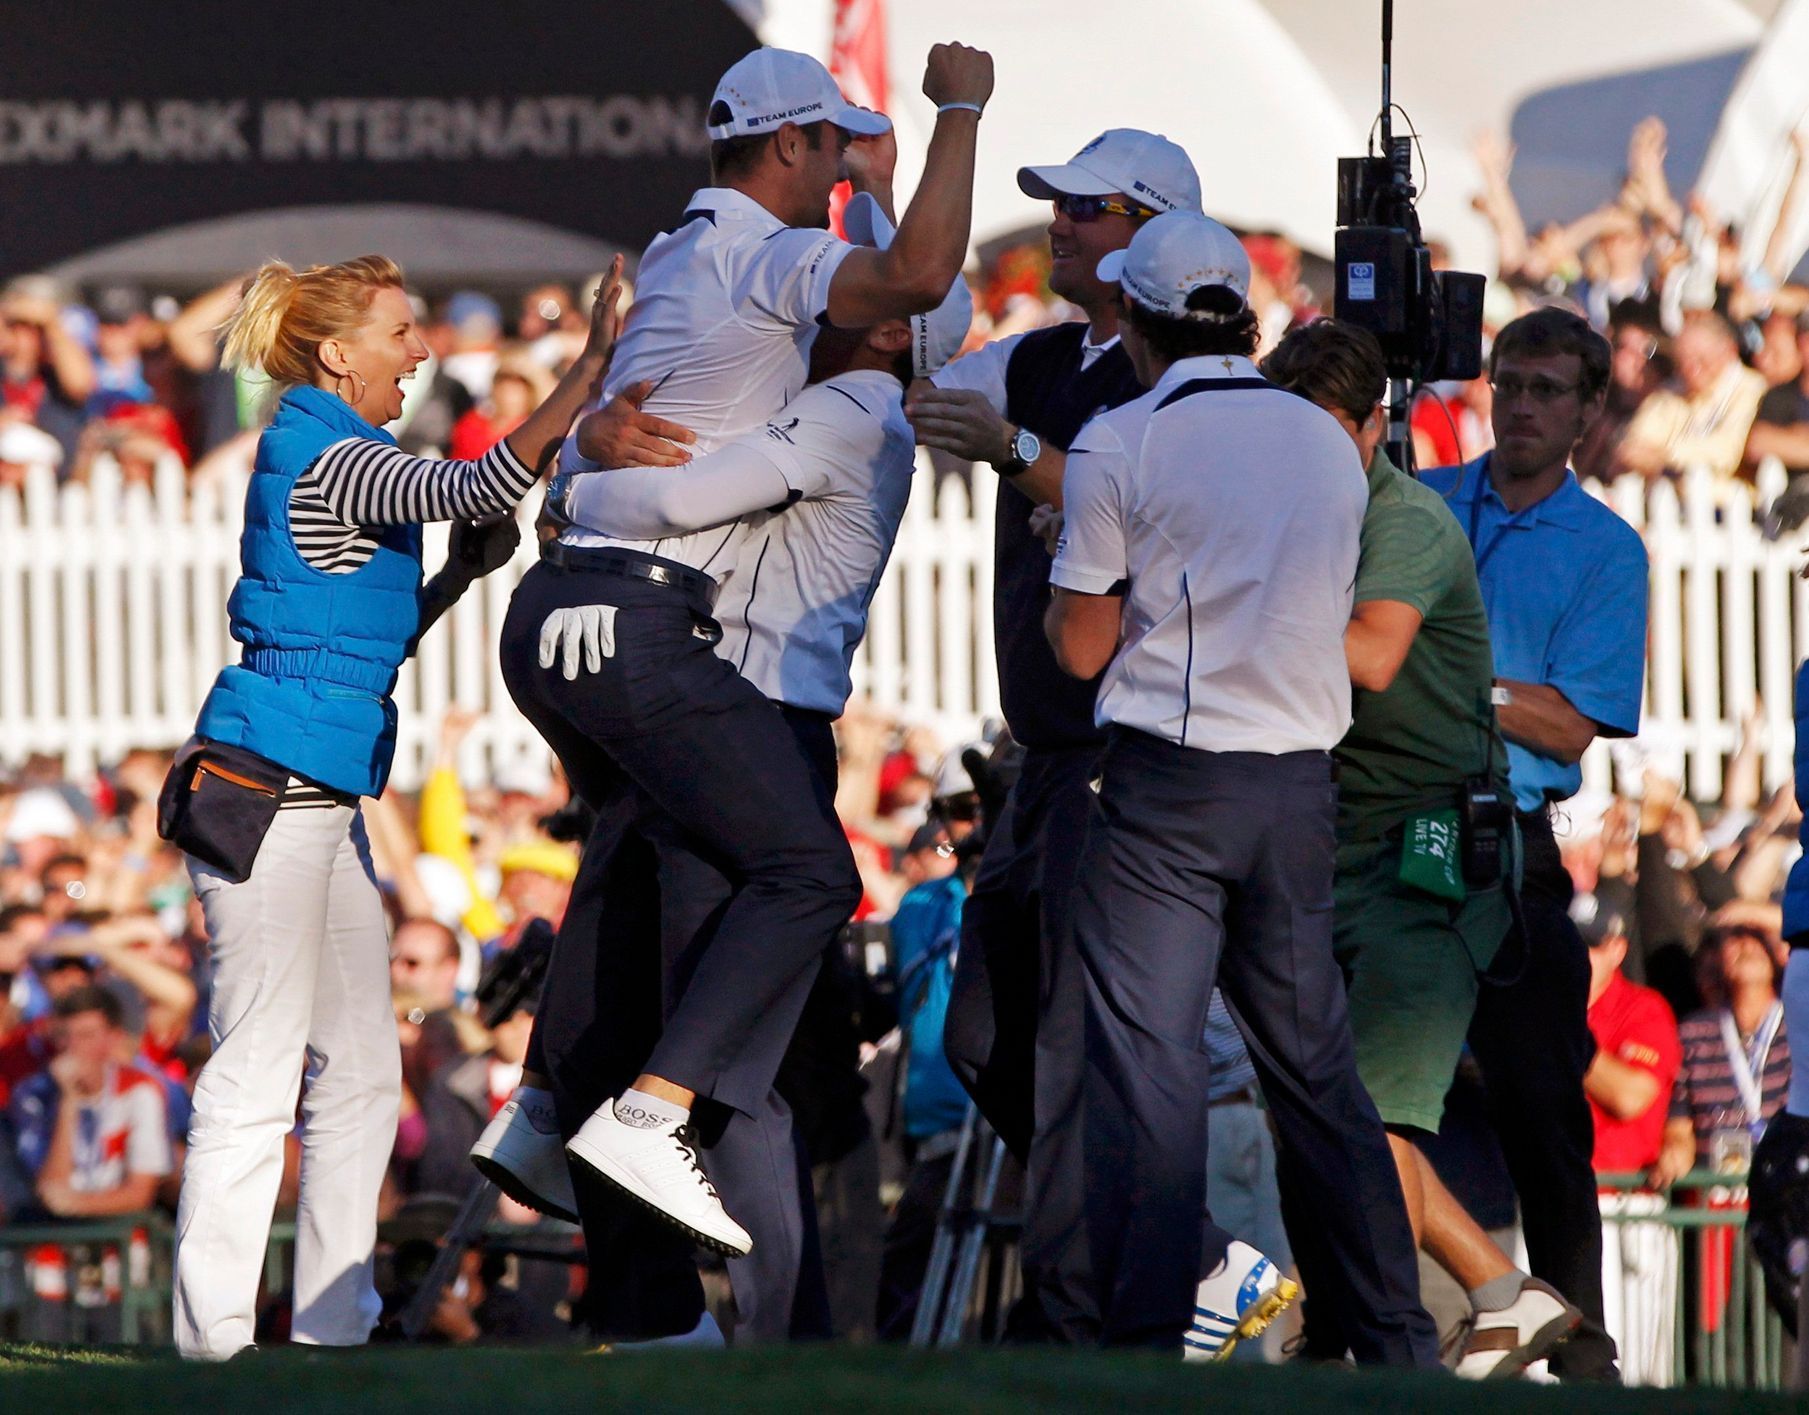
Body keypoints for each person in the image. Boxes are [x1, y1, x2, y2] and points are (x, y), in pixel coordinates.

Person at [472, 43, 992, 1345]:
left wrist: (581, 469)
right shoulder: (808, 359)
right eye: (826, 162)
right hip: (720, 704)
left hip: (745, 711)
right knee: (726, 1058)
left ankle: (730, 1295)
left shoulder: (847, 406)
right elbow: (884, 270)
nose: (836, 252)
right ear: (791, 148)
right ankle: (695, 1281)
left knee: (737, 1071)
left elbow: (683, 490)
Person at [164, 249, 626, 1362]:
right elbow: (470, 484)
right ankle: (213, 1344)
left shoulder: (331, 452)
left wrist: (457, 577)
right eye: (400, 331)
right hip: (274, 795)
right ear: (337, 353)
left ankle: (332, 1325)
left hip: (310, 796)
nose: (419, 351)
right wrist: (591, 365)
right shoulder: (326, 454)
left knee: (366, 1066)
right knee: (258, 1066)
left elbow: (355, 645)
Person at [1044, 210, 1436, 1365]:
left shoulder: (1121, 437)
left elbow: (1078, 650)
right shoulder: (1323, 439)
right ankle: (1397, 1335)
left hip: (1170, 786)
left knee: (1152, 1066)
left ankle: (1150, 1331)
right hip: (1295, 785)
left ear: (1143, 323)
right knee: (1316, 1073)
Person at [908, 126, 1203, 1343]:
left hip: (1127, 754)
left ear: (1149, 228)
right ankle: (1191, 1259)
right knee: (985, 1029)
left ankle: (1080, 1310)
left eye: (1086, 207)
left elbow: (1137, 497)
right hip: (1042, 756)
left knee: (1080, 1040)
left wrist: (1027, 460)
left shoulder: (1185, 378)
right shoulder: (1036, 360)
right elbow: (911, 382)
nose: (1060, 224)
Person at [1263, 318, 1578, 1377]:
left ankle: (1399, 1321)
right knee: (1342, 1113)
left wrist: (1211, 597)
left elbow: (1371, 653)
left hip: (1428, 848)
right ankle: (1500, 1288)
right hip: (1337, 841)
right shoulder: (1301, 517)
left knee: (1368, 1120)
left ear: (1372, 426)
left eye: (1319, 436)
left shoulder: (1401, 523)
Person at [1423, 306, 1650, 1382]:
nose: (1519, 404)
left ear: (1588, 413)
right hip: (1398, 820)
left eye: (1547, 388)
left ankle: (1582, 1345)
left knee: (1543, 1102)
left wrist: (1453, 680)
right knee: (1371, 1096)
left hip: (1508, 835)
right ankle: (1386, 1328)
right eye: (1509, 381)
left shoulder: (1607, 546)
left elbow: (1574, 723)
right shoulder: (1423, 499)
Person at [1581, 900, 1681, 1387]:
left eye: (1592, 947)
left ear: (1618, 949)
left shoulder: (1642, 1007)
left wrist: (1562, 1040)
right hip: (1549, 1209)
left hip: (1627, 1209)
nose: (1580, 959)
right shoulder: (1534, 1007)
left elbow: (1630, 1095)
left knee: (1639, 1368)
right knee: (1546, 1369)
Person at [6, 986, 173, 1219]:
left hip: (119, 1238)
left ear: (113, 1038)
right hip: (53, 1239)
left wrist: (78, 1203)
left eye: (86, 1035)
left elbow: (140, 1193)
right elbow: (49, 1189)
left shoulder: (140, 1090)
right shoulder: (31, 1095)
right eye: (64, 1036)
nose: (72, 1046)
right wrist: (68, 1100)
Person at [1652, 921, 1791, 1183]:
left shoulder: (1801, 1028)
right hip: (1717, 1198)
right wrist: (1676, 1149)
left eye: (1757, 939)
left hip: (1787, 1191)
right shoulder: (1693, 1033)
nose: (1747, 945)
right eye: (1734, 939)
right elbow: (1679, 1122)